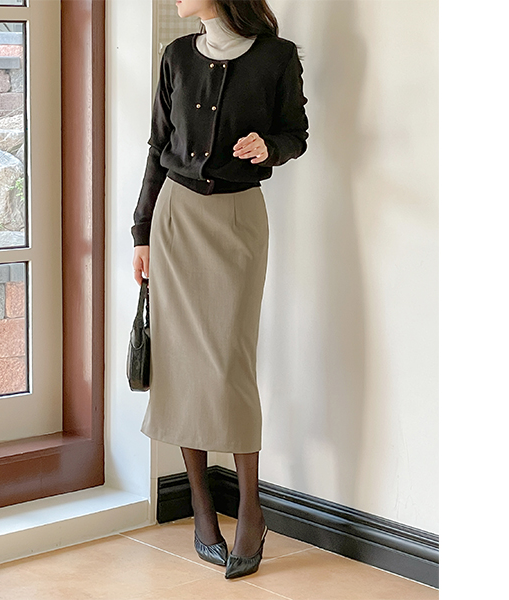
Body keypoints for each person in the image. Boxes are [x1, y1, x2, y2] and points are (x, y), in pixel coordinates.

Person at [131, 0, 308, 579]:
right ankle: (203, 508)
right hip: (175, 218)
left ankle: (251, 510)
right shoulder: (176, 57)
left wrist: (269, 147)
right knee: (180, 363)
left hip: (237, 220)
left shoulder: (277, 58)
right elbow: (158, 146)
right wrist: (141, 233)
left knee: (231, 361)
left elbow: (296, 133)